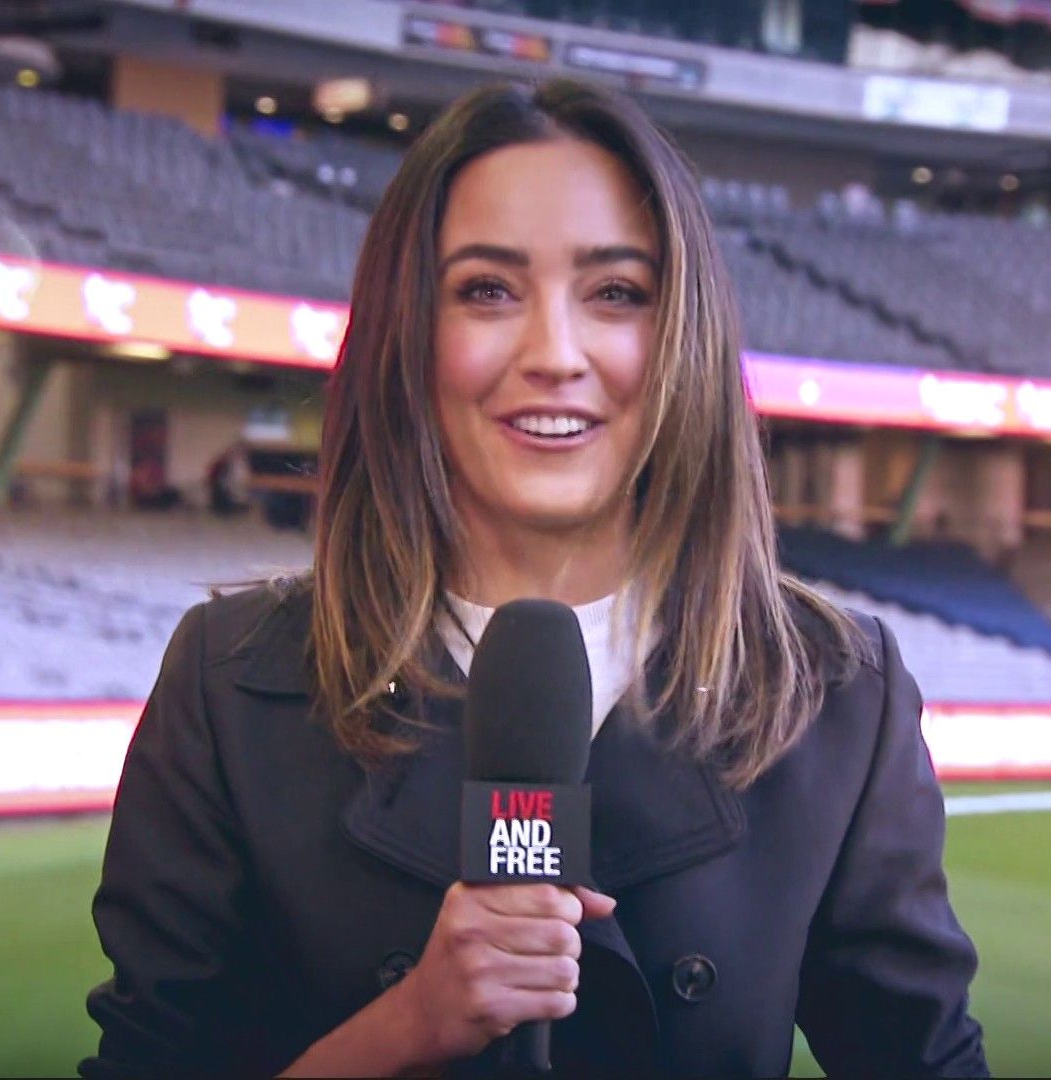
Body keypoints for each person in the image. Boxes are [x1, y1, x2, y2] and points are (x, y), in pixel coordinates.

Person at [80, 78, 986, 1079]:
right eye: (487, 290)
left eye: (617, 294)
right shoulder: (232, 684)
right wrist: (402, 1031)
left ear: (683, 336)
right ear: (407, 331)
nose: (555, 354)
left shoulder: (835, 692)